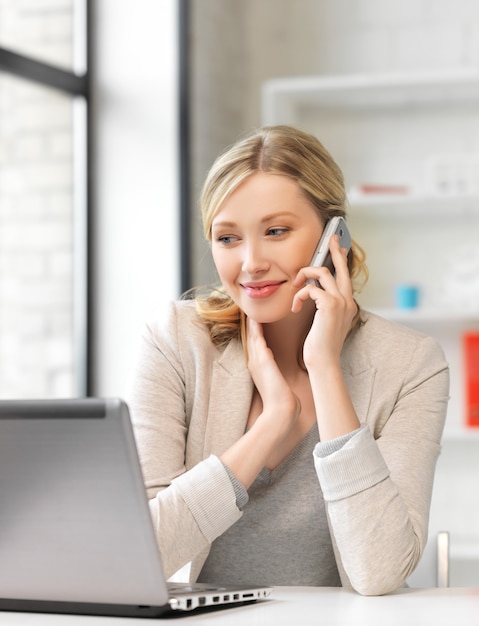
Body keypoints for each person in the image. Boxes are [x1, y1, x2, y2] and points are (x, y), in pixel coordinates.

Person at [127, 125, 449, 596]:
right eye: (228, 238)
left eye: (276, 231)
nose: (250, 262)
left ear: (332, 238)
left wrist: (324, 367)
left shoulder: (410, 366)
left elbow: (379, 571)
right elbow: (139, 553)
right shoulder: (175, 340)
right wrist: (271, 422)